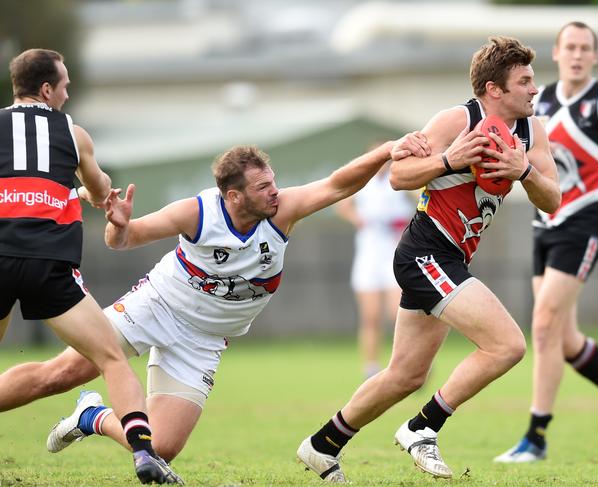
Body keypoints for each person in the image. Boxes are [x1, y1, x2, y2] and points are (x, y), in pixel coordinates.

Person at [0, 135, 430, 463]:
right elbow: (122, 240)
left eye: (273, 182)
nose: (275, 192)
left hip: (203, 340)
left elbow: (338, 185)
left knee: (163, 448)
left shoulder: (283, 210)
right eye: (263, 187)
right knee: (56, 376)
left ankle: (90, 417)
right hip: (156, 307)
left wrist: (388, 150)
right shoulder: (197, 212)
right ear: (234, 196)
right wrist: (117, 224)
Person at [297, 36, 561, 482]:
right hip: (425, 251)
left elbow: (552, 198)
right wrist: (447, 159)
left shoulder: (533, 133)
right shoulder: (457, 119)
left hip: (451, 257)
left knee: (405, 374)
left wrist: (525, 172)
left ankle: (322, 445)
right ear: (494, 89)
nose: (535, 89)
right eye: (525, 81)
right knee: (507, 345)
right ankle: (423, 427)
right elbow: (399, 175)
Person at [0, 48, 181, 485]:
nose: (66, 93)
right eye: (63, 86)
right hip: (50, 264)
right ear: (46, 89)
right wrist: (100, 198)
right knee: (111, 359)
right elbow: (100, 190)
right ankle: (143, 453)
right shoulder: (73, 133)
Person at [494, 21, 598, 464]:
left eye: (586, 48)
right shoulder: (535, 102)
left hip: (584, 223)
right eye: (570, 47)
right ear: (557, 54)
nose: (578, 54)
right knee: (562, 338)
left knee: (542, 325)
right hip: (545, 224)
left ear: (595, 56)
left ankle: (536, 438)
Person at [335, 160, 414, 379]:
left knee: (398, 313)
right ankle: (371, 368)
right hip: (368, 256)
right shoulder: (364, 183)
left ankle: (410, 362)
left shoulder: (402, 179)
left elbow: (419, 202)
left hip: (394, 254)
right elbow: (342, 204)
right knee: (370, 316)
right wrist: (357, 219)